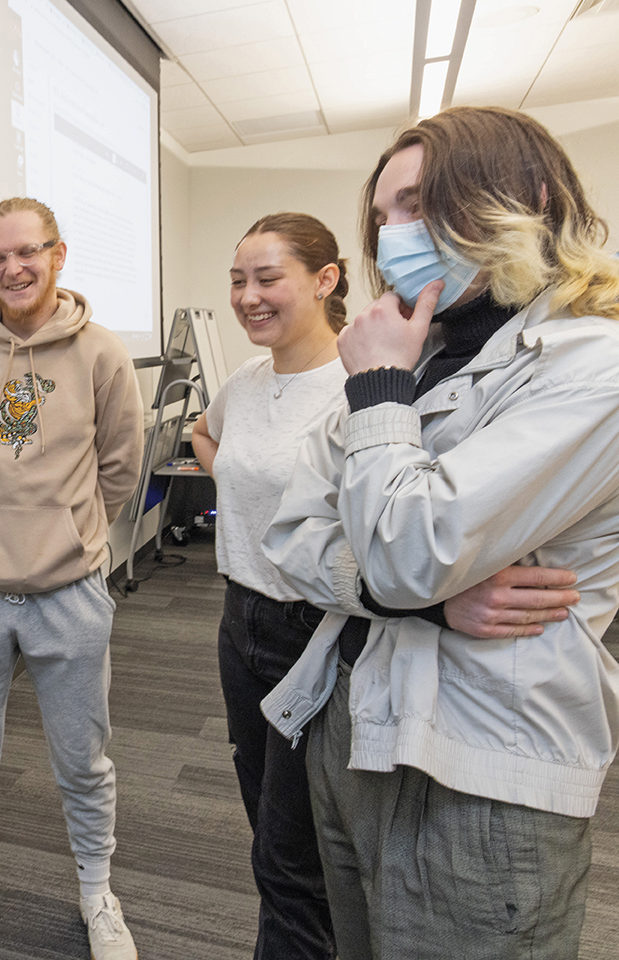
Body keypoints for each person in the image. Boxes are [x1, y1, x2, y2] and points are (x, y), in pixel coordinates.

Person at [259, 106, 619, 960]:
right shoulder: (417, 357)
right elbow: (290, 533)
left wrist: (379, 387)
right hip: (351, 723)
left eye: (418, 205)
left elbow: (408, 551)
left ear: (525, 198)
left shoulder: (590, 368)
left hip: (477, 769)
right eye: (383, 215)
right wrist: (423, 606)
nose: (394, 237)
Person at [0, 197, 142, 958]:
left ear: (58, 254)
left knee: (82, 759)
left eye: (28, 252)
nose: (13, 268)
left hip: (69, 595)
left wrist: (66, 536)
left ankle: (95, 892)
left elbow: (119, 470)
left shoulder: (103, 354)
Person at [191, 212, 350, 960]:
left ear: (326, 280)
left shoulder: (361, 385)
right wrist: (226, 473)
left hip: (317, 633)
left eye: (267, 279)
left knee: (292, 857)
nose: (248, 296)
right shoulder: (246, 383)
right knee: (269, 824)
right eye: (237, 281)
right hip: (240, 621)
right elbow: (204, 432)